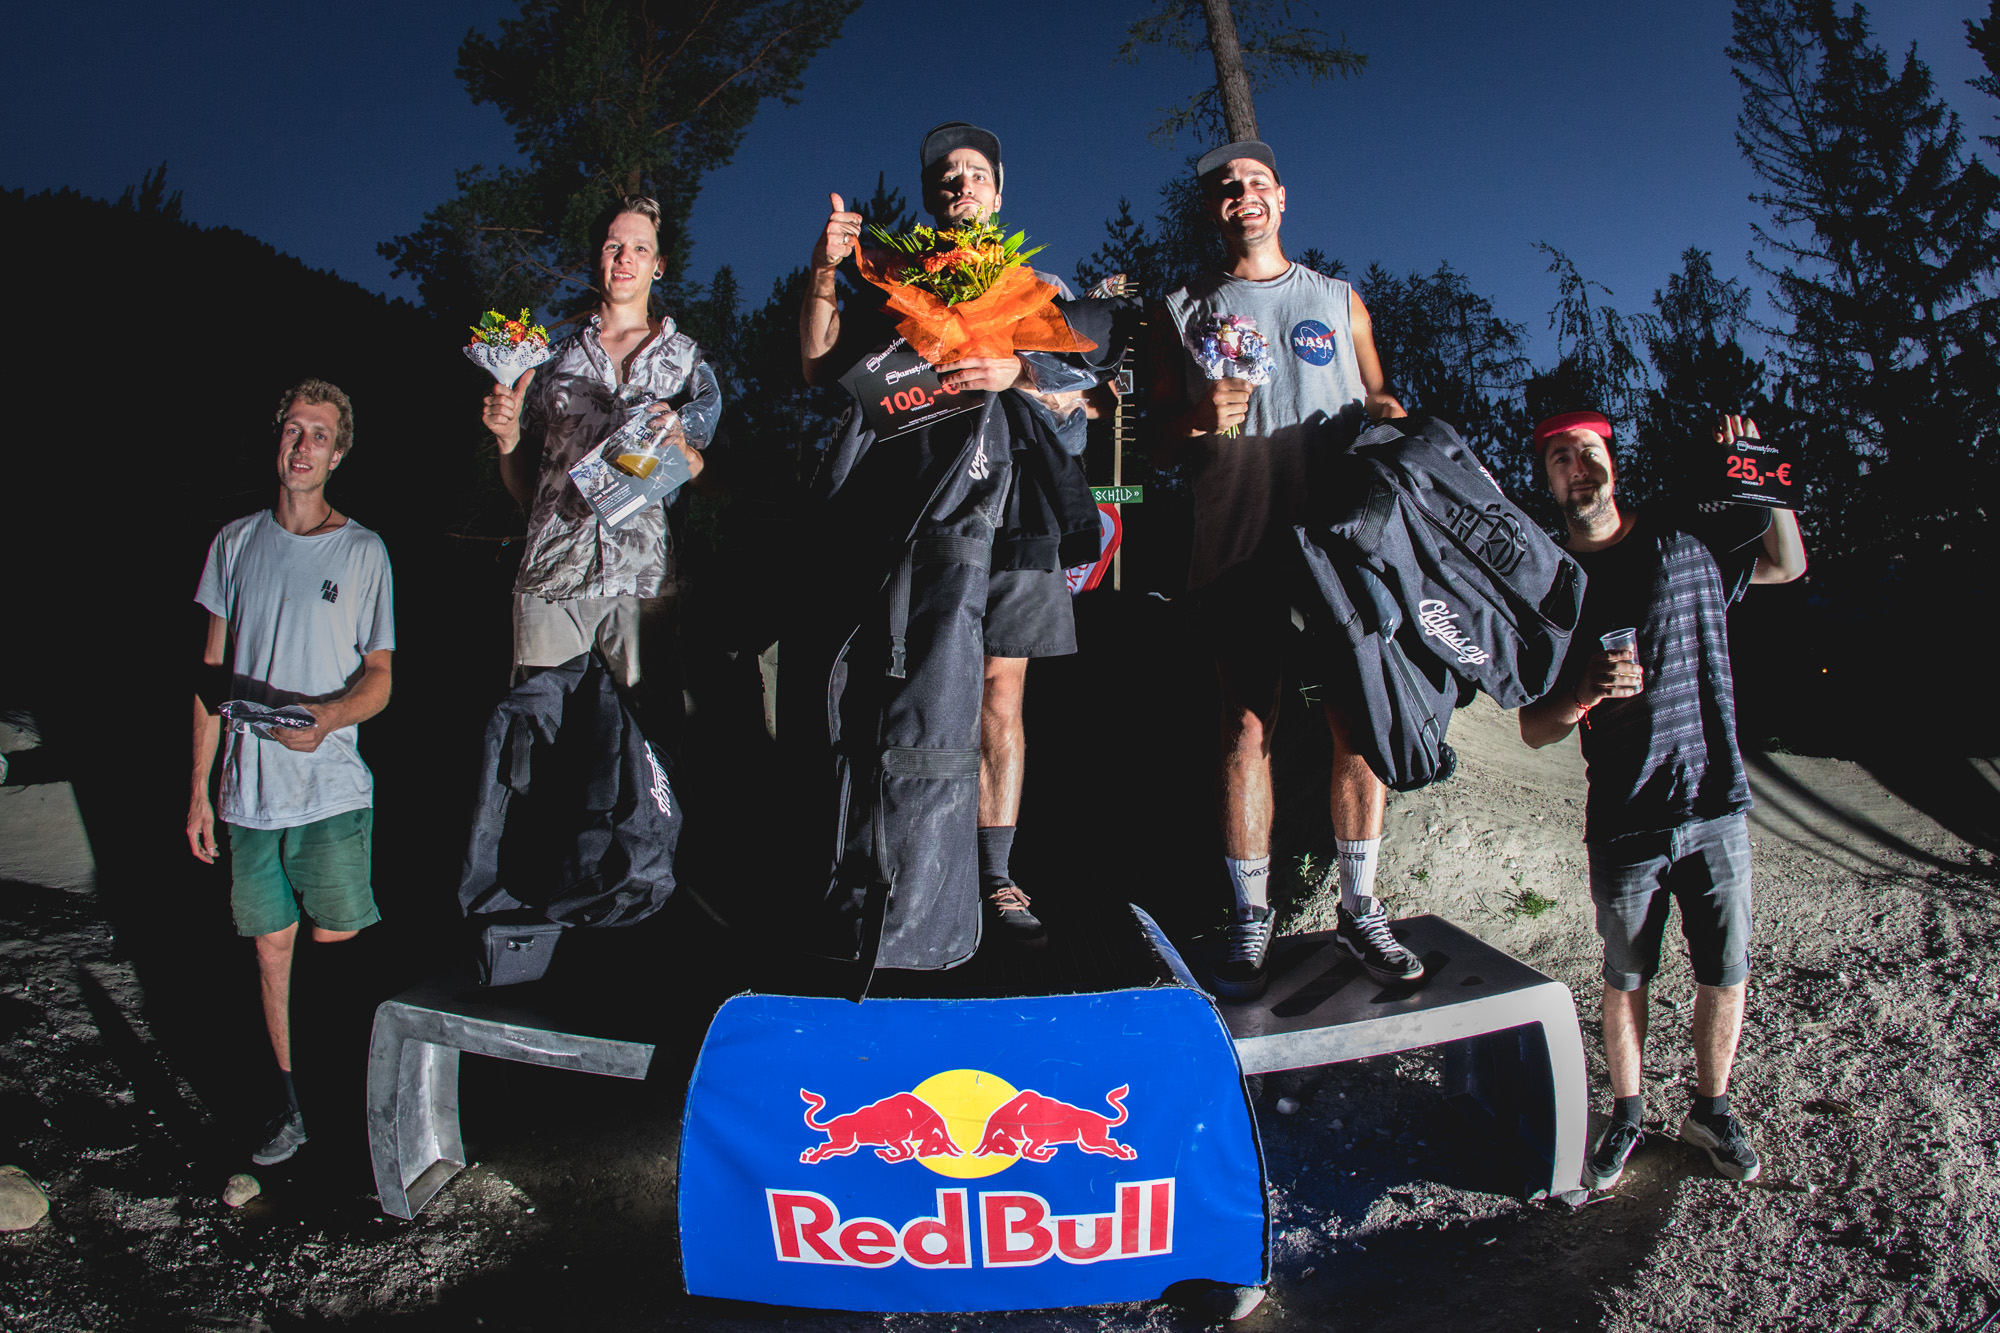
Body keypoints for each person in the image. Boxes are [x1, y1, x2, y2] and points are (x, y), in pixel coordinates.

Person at [802, 123, 1111, 947]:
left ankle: (994, 873)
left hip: (1016, 512)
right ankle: (899, 857)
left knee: (999, 693)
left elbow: (1085, 389)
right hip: (920, 514)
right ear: (932, 197)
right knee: (906, 680)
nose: (960, 185)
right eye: (945, 177)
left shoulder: (1038, 284)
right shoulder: (897, 281)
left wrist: (1019, 370)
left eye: (975, 174)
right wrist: (825, 274)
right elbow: (822, 367)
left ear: (999, 194)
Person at [1145, 140, 1419, 999]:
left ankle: (1362, 906)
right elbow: (1150, 439)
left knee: (1357, 722)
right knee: (1244, 731)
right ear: (1215, 211)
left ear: (1283, 198)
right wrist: (1196, 416)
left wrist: (1390, 413)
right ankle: (1250, 918)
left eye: (1256, 183)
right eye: (1227, 190)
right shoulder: (1181, 308)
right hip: (1239, 541)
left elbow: (1378, 396)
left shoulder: (1338, 300)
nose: (1243, 197)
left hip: (1337, 545)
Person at [1518, 410, 1806, 1189]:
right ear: (1546, 480)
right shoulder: (1555, 589)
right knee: (1625, 976)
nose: (1578, 467)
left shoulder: (1684, 537)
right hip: (1623, 818)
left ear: (1613, 460)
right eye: (1558, 458)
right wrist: (1579, 694)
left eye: (1589, 451)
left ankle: (1709, 1111)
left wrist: (1759, 466)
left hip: (1715, 802)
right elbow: (1532, 727)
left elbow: (1785, 563)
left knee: (1725, 968)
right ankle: (1629, 1114)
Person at [187, 379, 395, 1166]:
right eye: (294, 430)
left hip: (330, 786)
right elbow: (210, 677)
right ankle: (290, 1104)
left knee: (336, 949)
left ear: (338, 456)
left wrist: (331, 717)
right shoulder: (234, 544)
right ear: (278, 440)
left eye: (320, 435)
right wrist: (199, 789)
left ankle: (355, 1106)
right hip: (249, 792)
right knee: (270, 950)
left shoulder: (362, 550)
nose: (303, 445)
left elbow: (380, 677)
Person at [480, 195, 722, 714]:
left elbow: (716, 480)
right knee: (542, 751)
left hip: (644, 588)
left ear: (659, 266)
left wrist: (685, 453)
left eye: (640, 247)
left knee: (646, 755)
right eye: (614, 246)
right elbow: (527, 488)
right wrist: (507, 440)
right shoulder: (551, 364)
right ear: (599, 257)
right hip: (552, 582)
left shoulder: (688, 364)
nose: (624, 258)